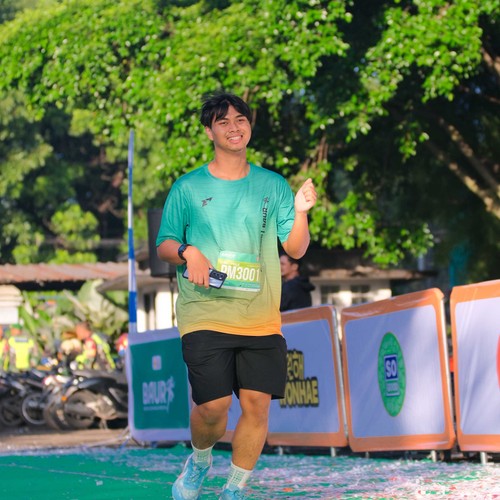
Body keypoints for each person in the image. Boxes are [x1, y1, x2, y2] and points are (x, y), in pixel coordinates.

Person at [156, 91, 317, 499]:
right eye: (223, 122)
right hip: (204, 313)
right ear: (209, 131)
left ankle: (235, 488)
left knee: (257, 405)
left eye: (240, 120)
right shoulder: (188, 188)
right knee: (213, 408)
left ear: (249, 126)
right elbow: (164, 245)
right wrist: (188, 252)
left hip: (260, 317)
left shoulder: (273, 185)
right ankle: (200, 460)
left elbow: (296, 248)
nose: (234, 127)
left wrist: (300, 212)